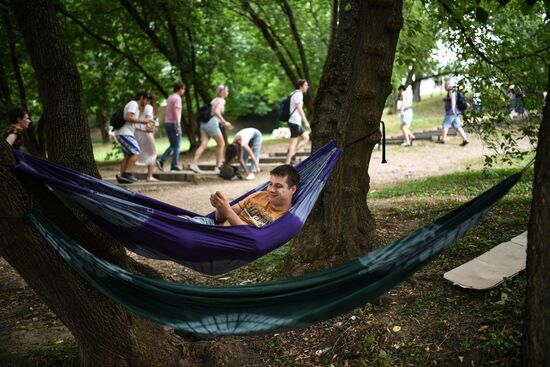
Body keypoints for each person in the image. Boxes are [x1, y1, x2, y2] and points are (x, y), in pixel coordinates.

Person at [182, 164, 299, 227]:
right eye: (270, 184)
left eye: (278, 186)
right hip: (213, 227)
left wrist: (226, 210)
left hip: (226, 241)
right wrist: (220, 206)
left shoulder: (286, 219)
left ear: (292, 189)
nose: (271, 190)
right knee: (177, 222)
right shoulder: (259, 195)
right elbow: (220, 219)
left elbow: (250, 237)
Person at [189, 85, 234, 173]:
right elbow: (216, 112)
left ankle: (193, 164)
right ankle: (217, 167)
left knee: (203, 144)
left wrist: (223, 123)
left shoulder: (214, 100)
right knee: (221, 144)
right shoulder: (221, 101)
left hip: (204, 124)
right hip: (212, 124)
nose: (228, 93)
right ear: (223, 92)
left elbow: (212, 114)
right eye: (227, 91)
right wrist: (224, 122)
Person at [114, 91, 152, 183]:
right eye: (146, 100)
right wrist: (143, 121)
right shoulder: (133, 103)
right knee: (136, 152)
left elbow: (133, 125)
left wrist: (145, 130)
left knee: (128, 155)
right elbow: (128, 117)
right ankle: (127, 174)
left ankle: (121, 175)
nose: (147, 103)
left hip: (124, 132)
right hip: (124, 133)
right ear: (142, 98)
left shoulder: (136, 108)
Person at [157, 82, 186, 172]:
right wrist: (178, 125)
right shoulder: (177, 98)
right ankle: (173, 165)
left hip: (167, 123)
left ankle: (162, 160)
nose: (184, 91)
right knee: (177, 145)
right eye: (184, 89)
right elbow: (176, 111)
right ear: (180, 89)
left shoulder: (170, 97)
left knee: (173, 145)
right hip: (174, 124)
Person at [285, 80, 311, 164]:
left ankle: (291, 152)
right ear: (300, 86)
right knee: (293, 142)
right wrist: (306, 121)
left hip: (296, 122)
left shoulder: (294, 93)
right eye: (306, 85)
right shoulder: (298, 94)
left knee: (306, 137)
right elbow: (299, 109)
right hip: (294, 121)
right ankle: (287, 163)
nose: (307, 87)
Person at [135, 93, 159, 182]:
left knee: (146, 153)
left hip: (140, 132)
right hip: (146, 133)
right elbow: (149, 120)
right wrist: (150, 129)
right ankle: (149, 176)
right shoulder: (149, 107)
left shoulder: (141, 108)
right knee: (153, 153)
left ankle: (149, 175)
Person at [439, 80, 469, 146]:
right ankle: (465, 139)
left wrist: (452, 109)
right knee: (458, 126)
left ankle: (443, 139)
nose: (444, 88)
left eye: (444, 86)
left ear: (447, 86)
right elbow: (452, 99)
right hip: (456, 111)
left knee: (445, 125)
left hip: (451, 111)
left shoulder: (451, 90)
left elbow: (453, 99)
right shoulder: (454, 90)